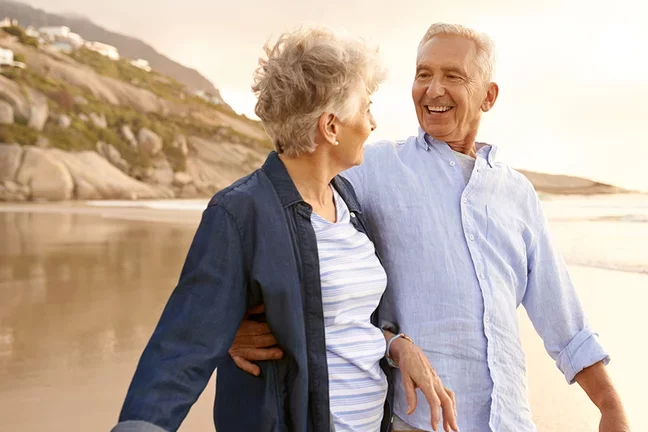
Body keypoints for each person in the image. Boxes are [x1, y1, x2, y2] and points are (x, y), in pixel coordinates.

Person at [228, 23, 631, 432]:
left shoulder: (517, 193)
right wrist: (228, 324)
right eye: (424, 74)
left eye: (452, 76)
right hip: (417, 419)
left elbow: (561, 316)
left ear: (488, 96)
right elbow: (274, 209)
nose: (433, 89)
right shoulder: (372, 168)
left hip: (510, 421)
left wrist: (609, 405)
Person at [111, 26, 458, 432]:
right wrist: (222, 333)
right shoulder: (240, 212)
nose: (373, 123)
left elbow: (340, 323)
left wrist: (396, 346)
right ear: (331, 127)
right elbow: (181, 347)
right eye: (366, 108)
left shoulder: (347, 202)